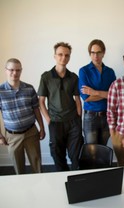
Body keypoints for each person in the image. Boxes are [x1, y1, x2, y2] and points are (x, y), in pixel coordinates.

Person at [38, 42, 83, 171]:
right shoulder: (46, 77)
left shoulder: (74, 77)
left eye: (67, 55)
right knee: (58, 155)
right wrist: (48, 120)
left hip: (73, 121)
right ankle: (62, 178)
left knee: (76, 155)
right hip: (55, 122)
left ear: (69, 57)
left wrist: (78, 118)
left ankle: (76, 179)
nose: (63, 58)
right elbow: (41, 101)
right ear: (55, 56)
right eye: (60, 54)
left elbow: (77, 99)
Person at [0, 58, 45, 174]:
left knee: (37, 166)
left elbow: (36, 109)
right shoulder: (0, 91)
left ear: (21, 71)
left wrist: (42, 128)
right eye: (11, 70)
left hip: (31, 133)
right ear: (6, 70)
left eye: (18, 70)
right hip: (12, 136)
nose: (15, 73)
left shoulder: (29, 89)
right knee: (18, 169)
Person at [79, 39, 116, 145]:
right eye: (93, 52)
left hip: (107, 115)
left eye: (99, 52)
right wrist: (106, 94)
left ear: (103, 53)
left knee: (103, 148)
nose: (96, 55)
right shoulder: (84, 71)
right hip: (90, 117)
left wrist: (94, 92)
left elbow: (114, 95)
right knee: (91, 150)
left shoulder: (110, 72)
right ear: (90, 54)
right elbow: (86, 97)